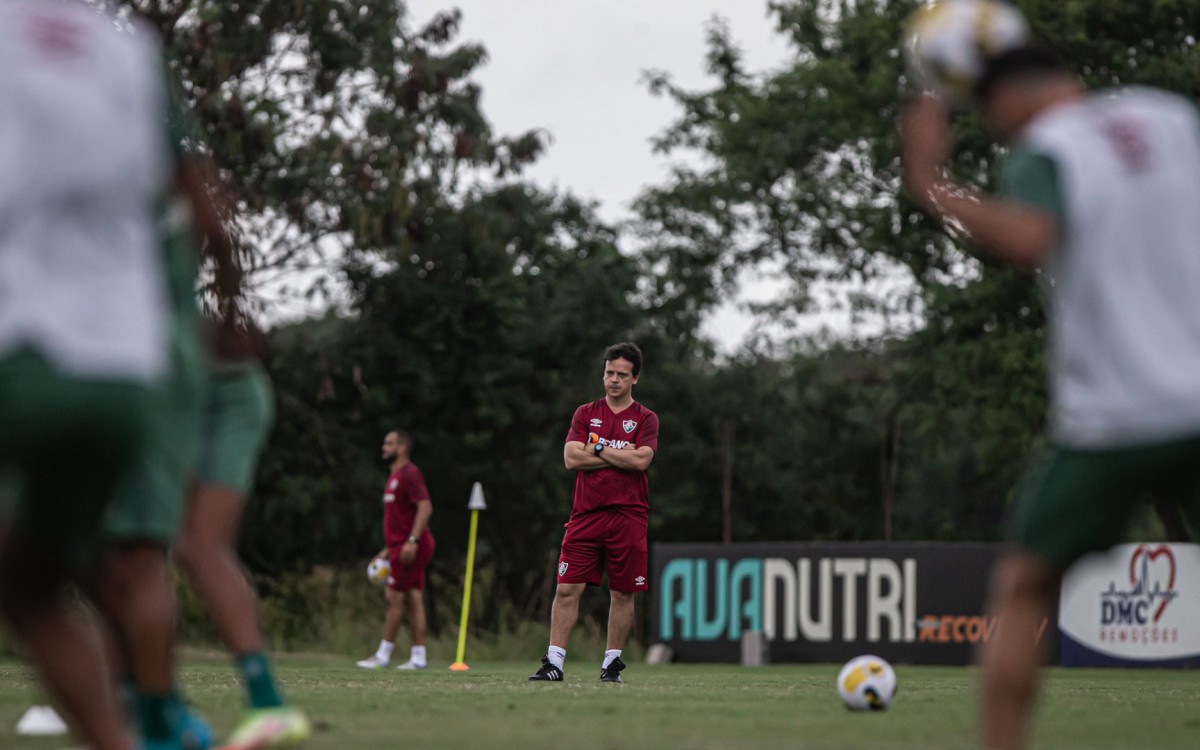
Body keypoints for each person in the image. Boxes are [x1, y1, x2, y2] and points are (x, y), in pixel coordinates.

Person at [899, 44, 1200, 750]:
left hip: (1112, 417)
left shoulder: (1046, 148)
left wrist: (932, 182)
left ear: (1008, 98)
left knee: (1024, 589)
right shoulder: (1171, 116)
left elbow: (1032, 236)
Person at [0, 2, 177, 748]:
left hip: (31, 347)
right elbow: (164, 184)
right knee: (35, 577)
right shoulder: (130, 48)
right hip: (129, 371)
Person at [530, 342, 659, 684]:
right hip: (585, 515)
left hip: (628, 516)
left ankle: (611, 664)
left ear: (635, 378)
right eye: (609, 373)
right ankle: (554, 662)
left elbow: (642, 460)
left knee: (622, 592)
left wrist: (596, 446)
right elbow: (571, 458)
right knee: (567, 588)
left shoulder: (645, 418)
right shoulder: (585, 413)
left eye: (621, 374)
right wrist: (617, 452)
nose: (614, 380)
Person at [357, 430, 436, 670]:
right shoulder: (394, 477)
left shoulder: (409, 474)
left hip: (410, 547)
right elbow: (400, 520)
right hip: (399, 546)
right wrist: (386, 550)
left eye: (389, 443)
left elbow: (425, 507)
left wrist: (412, 541)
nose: (384, 447)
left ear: (402, 447)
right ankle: (418, 656)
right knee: (412, 598)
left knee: (393, 597)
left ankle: (383, 655)